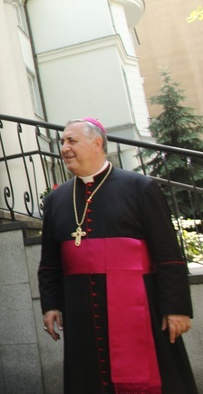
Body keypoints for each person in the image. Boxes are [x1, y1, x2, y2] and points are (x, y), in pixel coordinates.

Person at [38, 118, 197, 393]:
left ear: (97, 143)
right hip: (80, 311)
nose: (64, 148)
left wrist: (176, 307)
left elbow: (169, 254)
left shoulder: (139, 187)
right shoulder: (56, 199)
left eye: (71, 141)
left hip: (142, 306)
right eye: (62, 142)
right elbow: (50, 262)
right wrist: (51, 304)